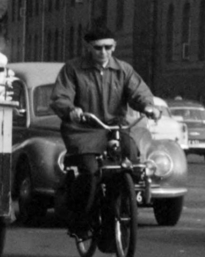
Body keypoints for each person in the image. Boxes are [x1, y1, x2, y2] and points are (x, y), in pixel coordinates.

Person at [50, 25, 160, 240]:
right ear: (88, 47)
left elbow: (139, 92)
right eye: (98, 48)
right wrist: (71, 110)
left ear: (114, 47)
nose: (103, 53)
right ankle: (79, 220)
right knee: (90, 172)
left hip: (114, 129)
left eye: (108, 47)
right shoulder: (73, 69)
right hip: (83, 130)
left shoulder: (123, 70)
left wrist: (148, 106)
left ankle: (124, 203)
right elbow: (60, 97)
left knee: (132, 158)